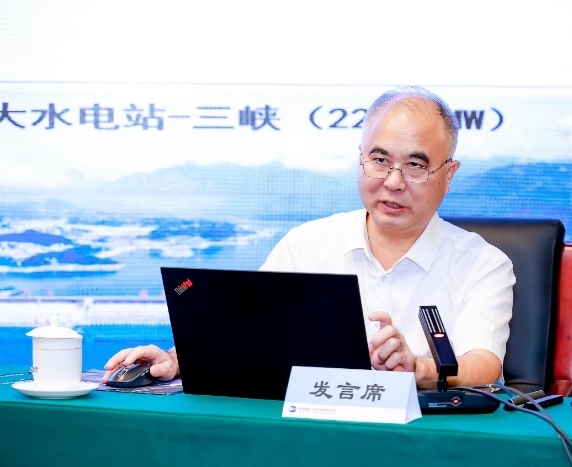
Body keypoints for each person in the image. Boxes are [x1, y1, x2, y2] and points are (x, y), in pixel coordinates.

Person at [103, 86, 515, 389]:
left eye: (415, 166)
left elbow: (484, 363)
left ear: (448, 174)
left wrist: (419, 369)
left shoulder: (483, 263)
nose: (393, 181)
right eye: (379, 160)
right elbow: (242, 329)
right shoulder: (306, 245)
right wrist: (176, 360)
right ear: (360, 158)